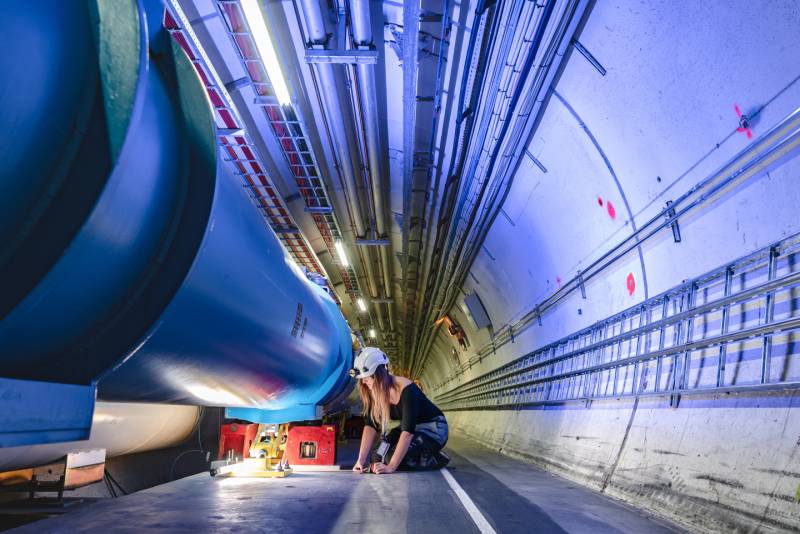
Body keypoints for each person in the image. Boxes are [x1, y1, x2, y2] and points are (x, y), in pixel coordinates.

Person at [350, 347, 449, 474]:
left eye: (367, 377)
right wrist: (360, 460)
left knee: (395, 459)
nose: (364, 381)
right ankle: (418, 453)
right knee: (377, 457)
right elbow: (370, 426)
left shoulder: (407, 390)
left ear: (379, 374)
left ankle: (435, 458)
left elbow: (407, 433)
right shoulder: (374, 391)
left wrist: (391, 467)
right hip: (408, 428)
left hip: (434, 429)